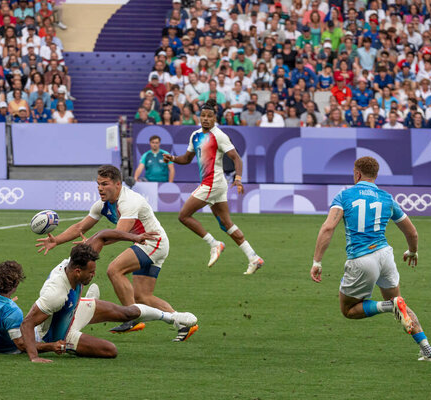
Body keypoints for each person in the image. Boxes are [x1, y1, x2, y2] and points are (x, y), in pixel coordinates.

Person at [35, 166, 198, 341]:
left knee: (114, 269)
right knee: (143, 296)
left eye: (105, 184)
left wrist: (91, 243)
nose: (100, 188)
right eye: (98, 184)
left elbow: (119, 233)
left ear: (118, 184)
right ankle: (182, 322)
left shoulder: (129, 201)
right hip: (147, 243)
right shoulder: (102, 205)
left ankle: (131, 317)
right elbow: (79, 227)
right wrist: (56, 240)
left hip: (153, 242)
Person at [309, 156, 431, 362]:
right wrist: (412, 251)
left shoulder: (344, 196)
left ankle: (388, 306)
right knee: (400, 302)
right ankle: (428, 349)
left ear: (357, 173)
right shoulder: (387, 198)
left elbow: (328, 228)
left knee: (349, 310)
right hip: (385, 256)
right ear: (375, 175)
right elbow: (412, 232)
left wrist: (317, 261)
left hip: (361, 260)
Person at [21, 244, 198, 363]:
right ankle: (88, 304)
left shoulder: (72, 262)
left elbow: (102, 236)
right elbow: (27, 323)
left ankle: (173, 318)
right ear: (77, 271)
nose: (93, 275)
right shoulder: (55, 293)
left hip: (73, 310)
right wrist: (35, 356)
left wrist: (134, 239)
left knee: (127, 313)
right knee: (110, 351)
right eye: (90, 273)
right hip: (61, 334)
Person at [163, 99, 264, 275]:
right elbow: (186, 159)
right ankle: (253, 257)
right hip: (213, 185)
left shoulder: (219, 136)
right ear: (199, 117)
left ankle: (214, 243)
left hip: (213, 183)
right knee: (226, 224)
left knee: (183, 215)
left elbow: (236, 158)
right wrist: (172, 158)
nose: (206, 119)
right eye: (203, 116)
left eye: (209, 116)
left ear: (215, 118)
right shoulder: (195, 136)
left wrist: (238, 178)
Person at [0, 260, 65, 356]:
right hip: (12, 350)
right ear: (16, 284)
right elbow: (21, 345)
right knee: (48, 310)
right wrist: (51, 346)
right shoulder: (11, 311)